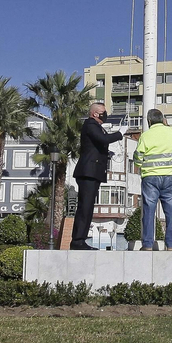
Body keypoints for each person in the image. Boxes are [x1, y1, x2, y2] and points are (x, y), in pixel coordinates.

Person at [68, 102, 123, 250]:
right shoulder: (90, 124)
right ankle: (77, 241)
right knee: (85, 207)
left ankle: (80, 240)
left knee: (88, 207)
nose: (105, 115)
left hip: (93, 172)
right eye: (102, 112)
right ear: (94, 114)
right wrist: (119, 134)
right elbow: (103, 140)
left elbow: (97, 145)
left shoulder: (96, 126)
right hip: (88, 172)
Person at [132, 108, 172, 251]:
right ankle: (171, 245)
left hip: (151, 177)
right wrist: (167, 126)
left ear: (149, 121)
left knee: (149, 211)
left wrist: (140, 165)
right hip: (171, 177)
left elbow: (138, 156)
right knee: (171, 212)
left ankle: (147, 245)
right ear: (163, 120)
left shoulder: (145, 135)